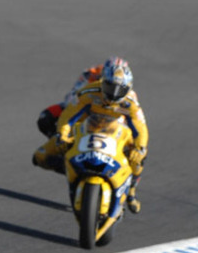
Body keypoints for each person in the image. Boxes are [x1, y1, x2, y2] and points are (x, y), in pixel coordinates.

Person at [32, 57, 148, 213]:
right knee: (40, 157)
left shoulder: (131, 102)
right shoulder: (90, 90)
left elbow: (140, 128)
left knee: (139, 156)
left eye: (119, 89)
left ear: (128, 88)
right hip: (87, 126)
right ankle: (71, 165)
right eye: (109, 87)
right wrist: (63, 135)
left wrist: (139, 148)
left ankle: (131, 192)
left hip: (116, 132)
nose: (113, 94)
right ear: (102, 81)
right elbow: (69, 113)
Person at [36, 62, 104, 138]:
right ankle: (58, 142)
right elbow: (71, 97)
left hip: (98, 112)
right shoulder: (91, 73)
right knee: (44, 118)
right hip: (77, 106)